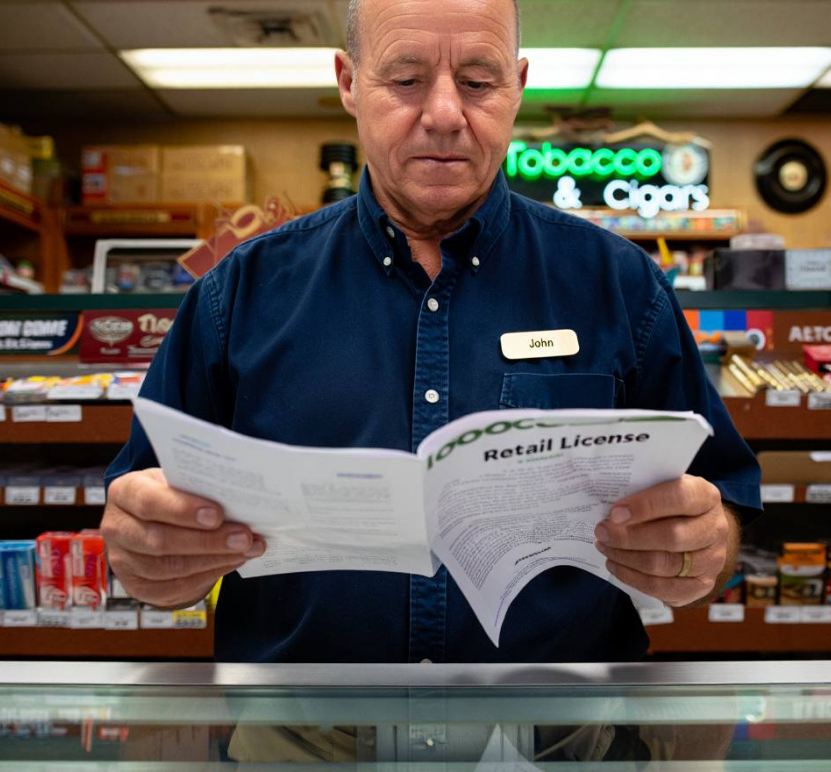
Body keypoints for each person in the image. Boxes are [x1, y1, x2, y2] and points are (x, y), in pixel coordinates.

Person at [102, 0, 761, 666]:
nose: (445, 115)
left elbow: (721, 505)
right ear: (349, 83)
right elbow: (140, 516)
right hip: (298, 734)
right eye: (406, 79)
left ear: (518, 86)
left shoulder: (620, 283)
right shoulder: (239, 293)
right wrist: (149, 551)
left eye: (478, 82)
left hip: (561, 734)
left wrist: (704, 543)